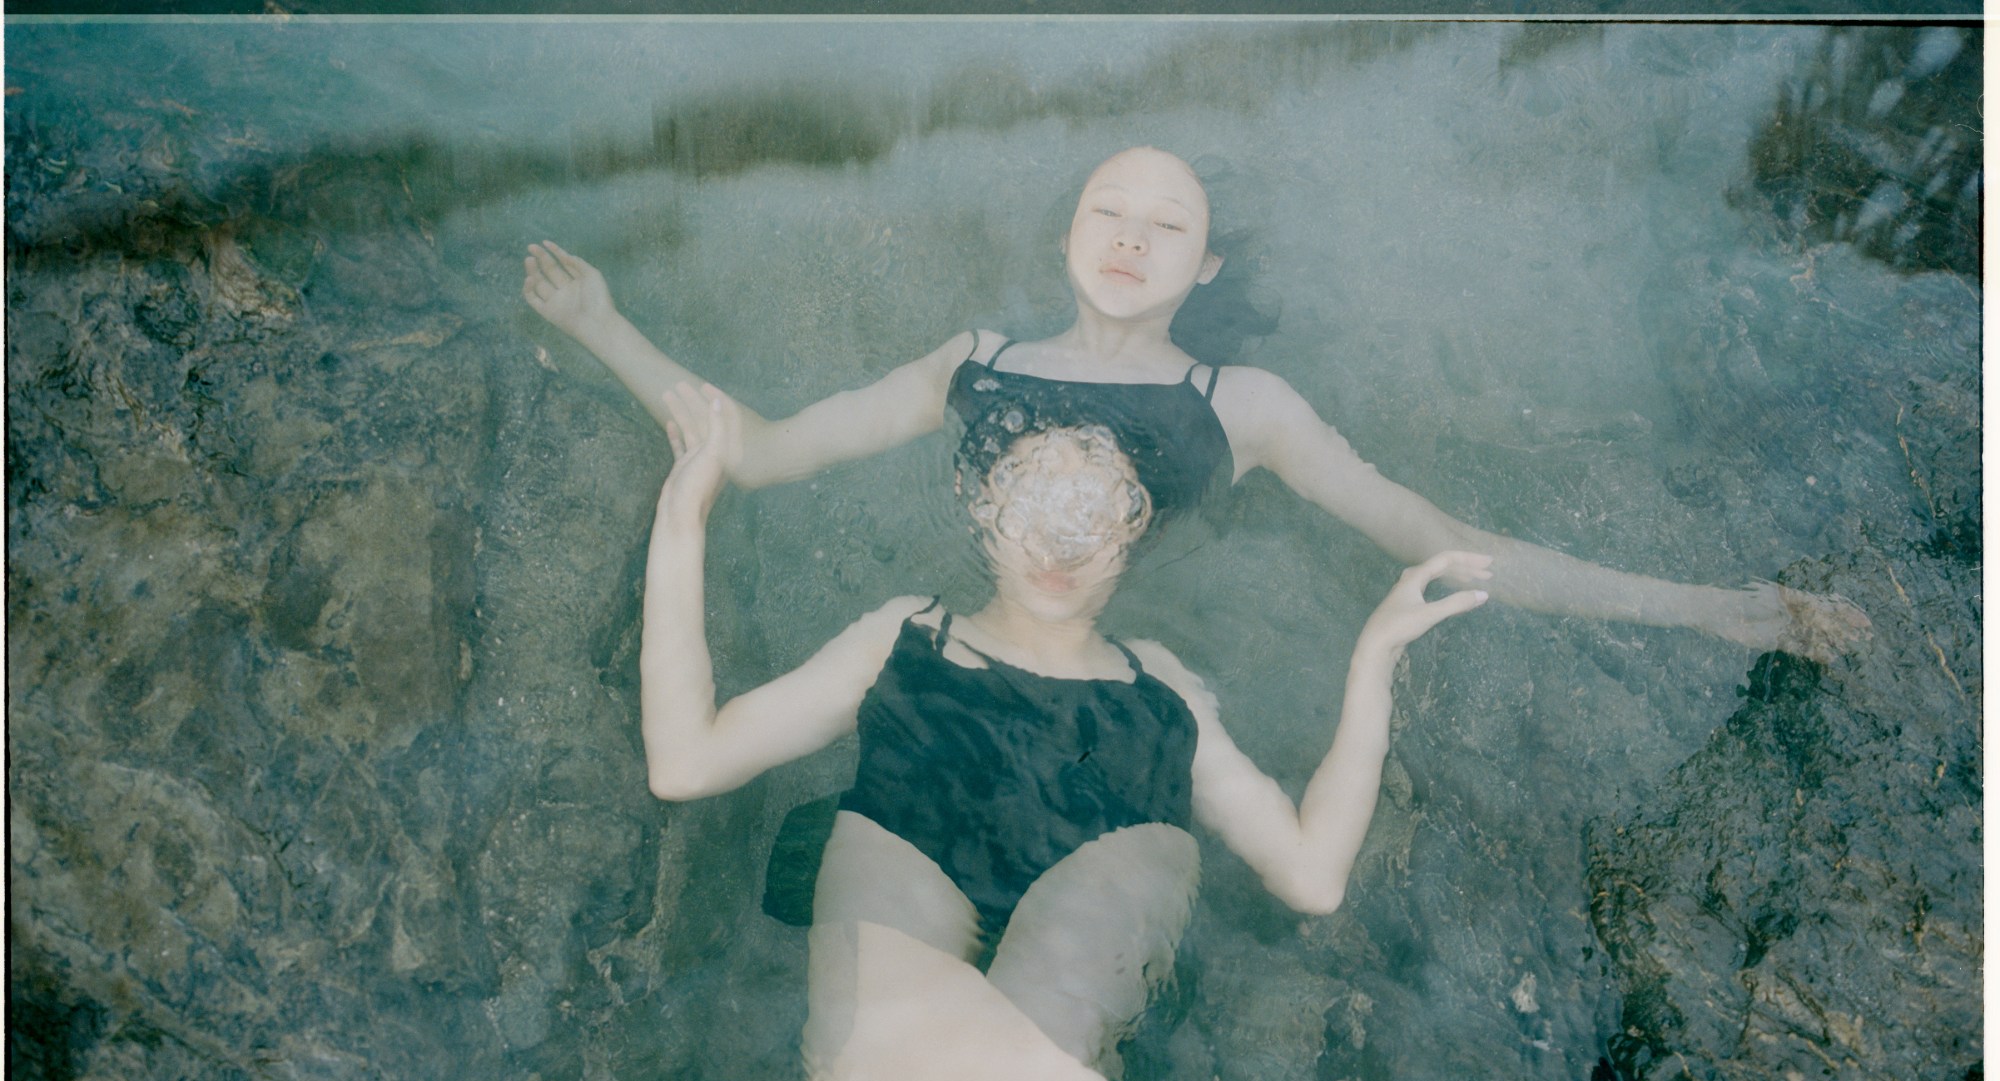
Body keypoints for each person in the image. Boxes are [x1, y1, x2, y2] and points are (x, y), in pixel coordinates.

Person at [642, 381, 1489, 1081]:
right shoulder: (909, 633)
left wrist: (1374, 659)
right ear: (982, 512)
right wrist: (683, 514)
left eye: (1094, 516)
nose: (1060, 544)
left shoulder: (1162, 687)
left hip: (1092, 896)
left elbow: (1308, 873)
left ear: (1135, 536)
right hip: (907, 867)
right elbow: (685, 762)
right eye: (1035, 506)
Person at [525, 145, 1868, 661]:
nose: (1129, 234)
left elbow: (1445, 543)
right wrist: (603, 328)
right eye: (1107, 208)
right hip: (971, 646)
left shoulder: (1247, 404)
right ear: (1066, 233)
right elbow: (751, 454)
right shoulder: (972, 362)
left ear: (1205, 264)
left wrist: (1718, 612)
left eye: (1167, 223)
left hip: (1139, 656)